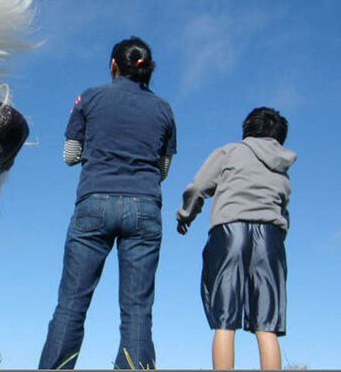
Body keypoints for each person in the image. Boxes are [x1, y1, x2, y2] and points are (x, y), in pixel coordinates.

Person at [39, 37, 177, 370]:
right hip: (144, 207)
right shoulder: (163, 108)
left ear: (114, 65)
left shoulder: (89, 97)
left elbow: (70, 156)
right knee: (137, 310)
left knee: (72, 303)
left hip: (94, 203)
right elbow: (163, 169)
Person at [176, 107, 296, 370]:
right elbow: (283, 207)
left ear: (247, 127)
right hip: (270, 237)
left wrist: (185, 215)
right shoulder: (283, 166)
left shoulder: (229, 152)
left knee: (224, 319)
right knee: (267, 325)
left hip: (230, 232)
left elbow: (199, 187)